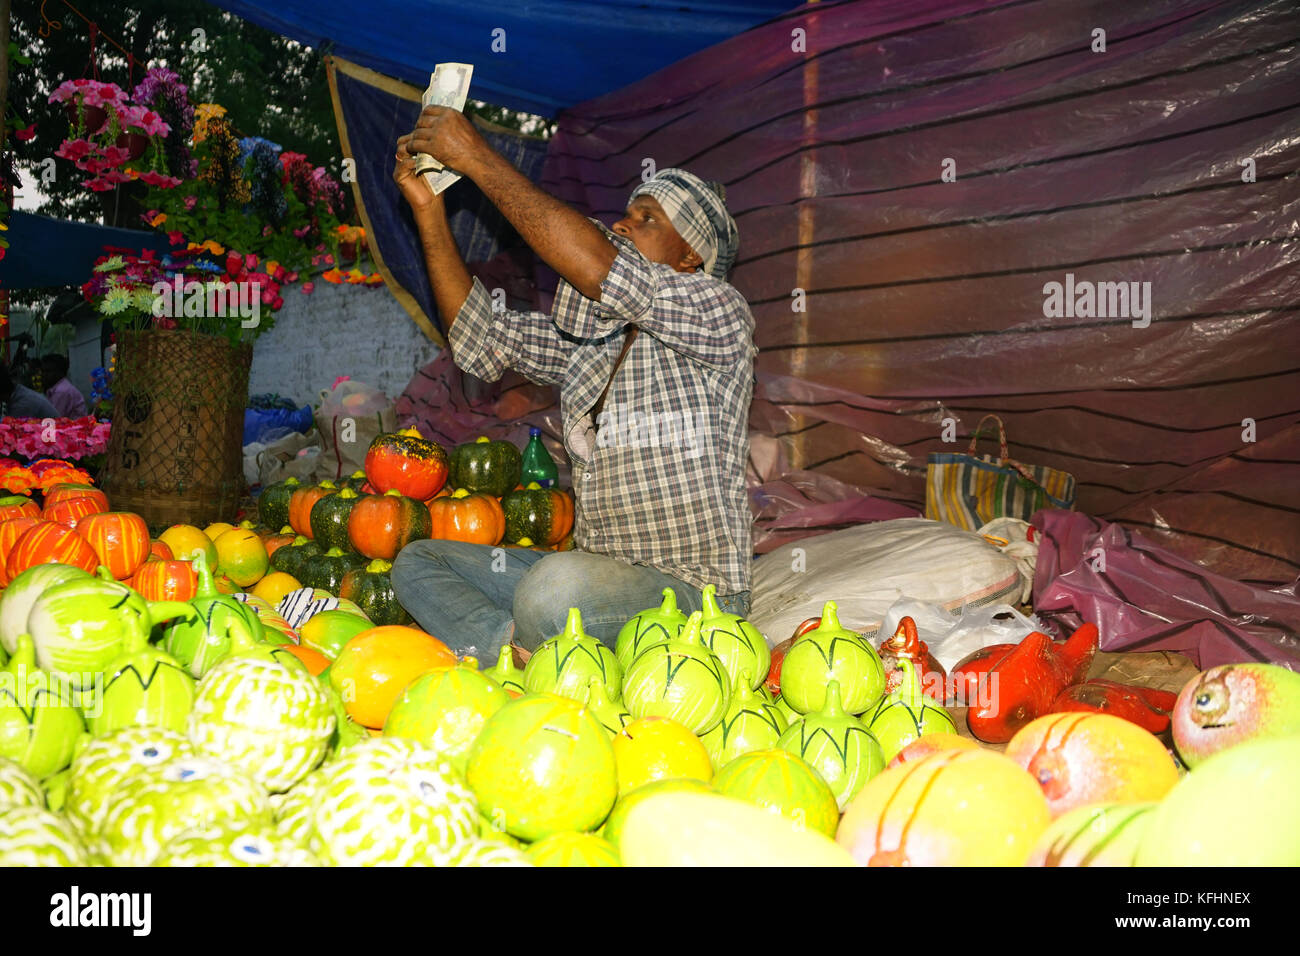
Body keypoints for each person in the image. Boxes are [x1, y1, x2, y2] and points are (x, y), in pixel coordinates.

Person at [390, 105, 755, 658]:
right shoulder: (596, 339)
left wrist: (479, 159)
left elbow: (602, 269)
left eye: (647, 218)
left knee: (553, 593)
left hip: (695, 594)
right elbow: (478, 338)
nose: (622, 224)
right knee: (418, 561)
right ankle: (513, 654)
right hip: (600, 576)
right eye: (626, 214)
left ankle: (543, 646)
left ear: (689, 256)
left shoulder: (721, 312)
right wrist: (430, 211)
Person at [41, 354, 88, 419]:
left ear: (60, 372)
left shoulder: (61, 391)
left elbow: (53, 418)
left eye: (48, 371)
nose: (44, 375)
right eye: (43, 371)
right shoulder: (58, 387)